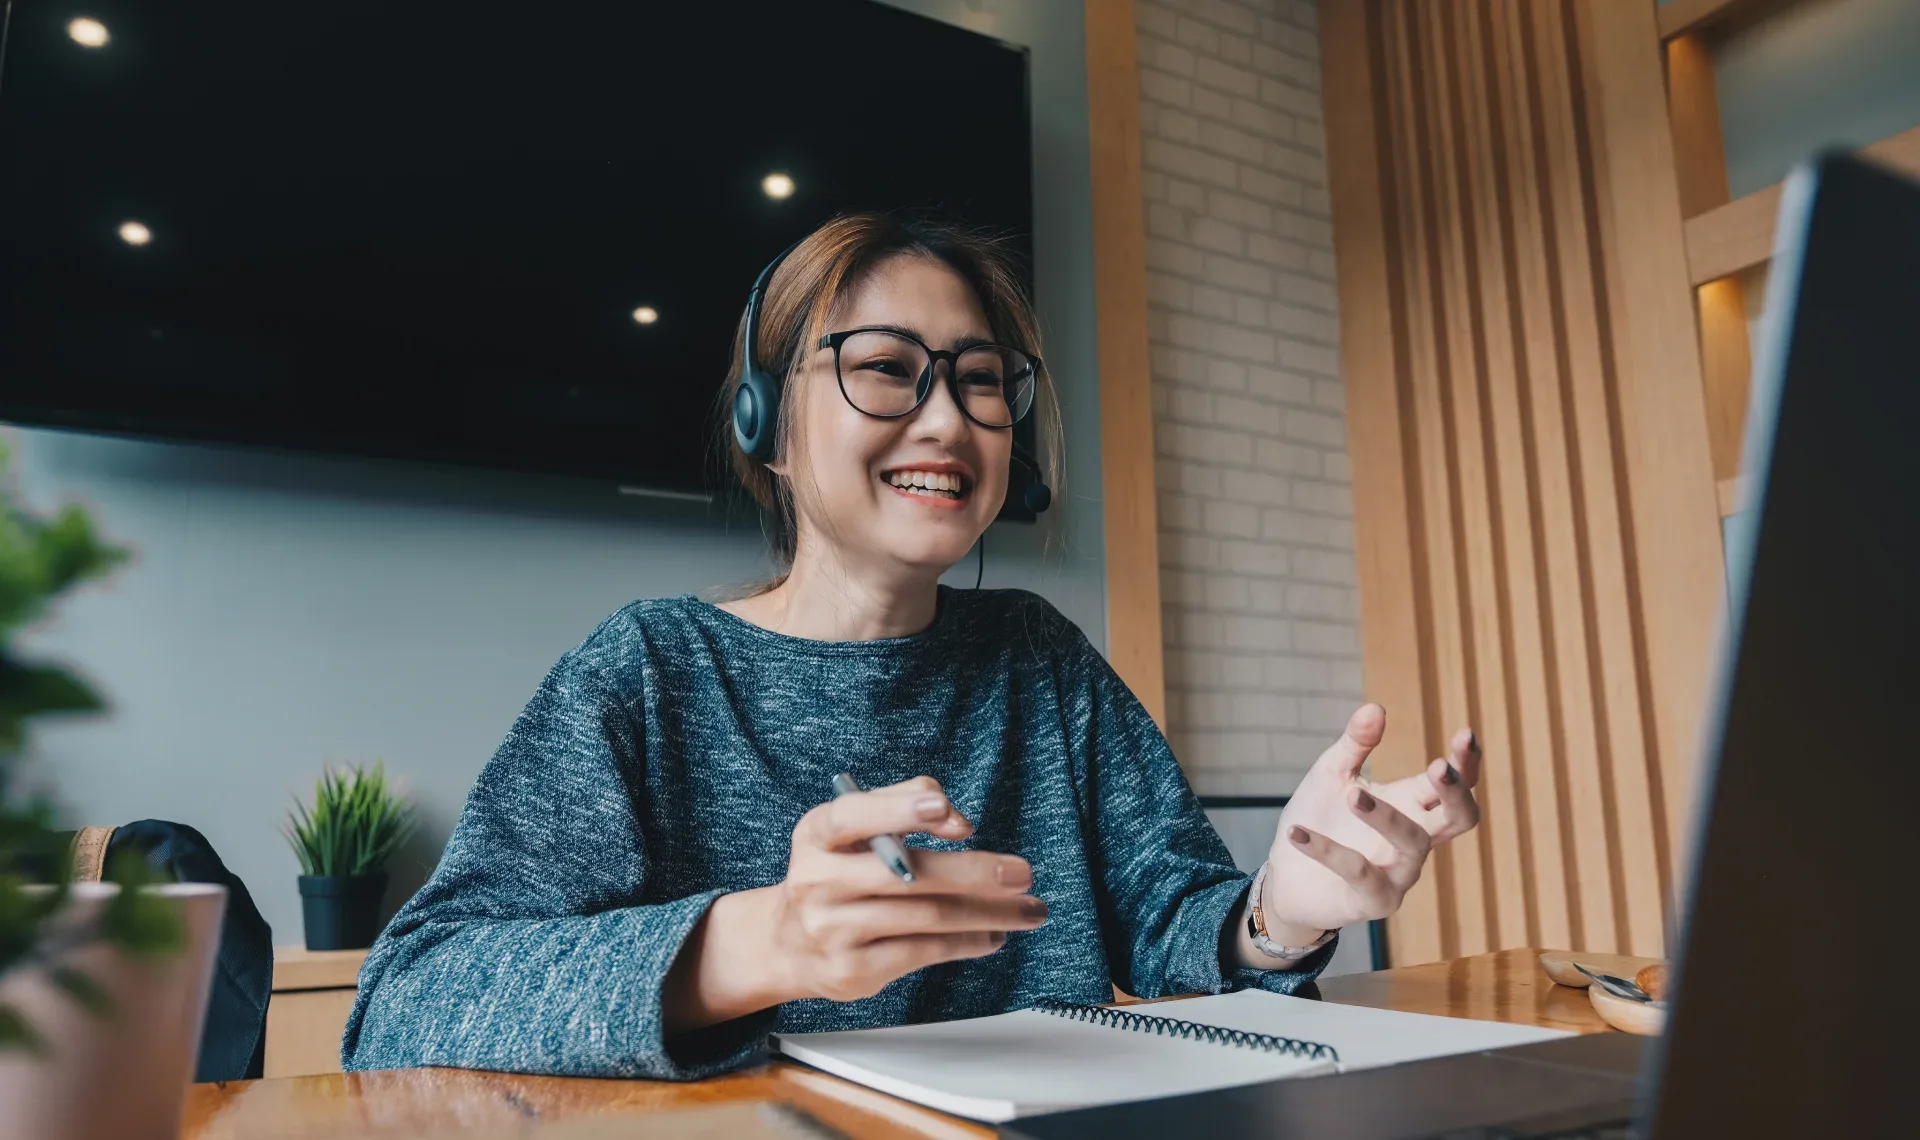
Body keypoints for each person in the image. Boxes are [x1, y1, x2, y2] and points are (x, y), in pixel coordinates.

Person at [341, 213, 1483, 1079]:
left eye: (982, 382)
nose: (947, 419)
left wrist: (1286, 906)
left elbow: (1184, 933)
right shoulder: (649, 670)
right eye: (888, 369)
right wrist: (755, 943)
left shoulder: (1040, 659)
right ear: (769, 426)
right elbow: (402, 1004)